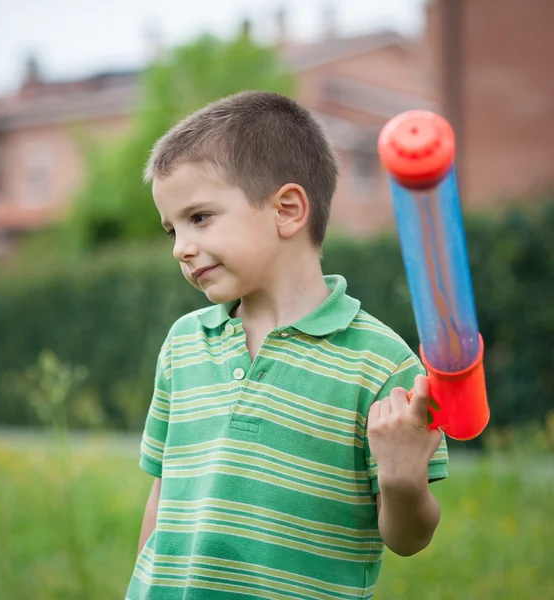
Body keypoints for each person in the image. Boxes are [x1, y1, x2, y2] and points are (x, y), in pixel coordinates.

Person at [126, 91, 448, 600]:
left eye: (200, 217)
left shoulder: (381, 365)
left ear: (288, 209)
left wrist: (403, 479)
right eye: (172, 229)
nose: (180, 248)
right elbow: (163, 492)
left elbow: (409, 538)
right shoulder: (184, 345)